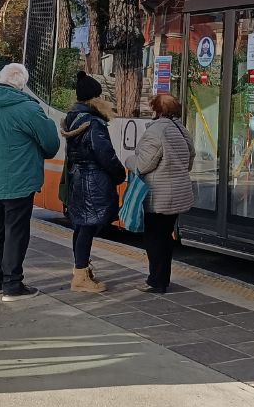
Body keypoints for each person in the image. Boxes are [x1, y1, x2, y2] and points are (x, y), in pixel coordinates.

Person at [0, 63, 60, 300]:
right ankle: (12, 285)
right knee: (16, 231)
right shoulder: (26, 108)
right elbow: (51, 143)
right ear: (22, 83)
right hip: (20, 180)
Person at [61, 72, 125, 293]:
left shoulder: (72, 118)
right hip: (93, 182)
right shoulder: (94, 123)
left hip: (78, 179)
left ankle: (81, 270)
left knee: (81, 227)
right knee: (88, 227)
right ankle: (80, 277)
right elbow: (105, 154)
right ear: (95, 98)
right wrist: (119, 174)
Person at [129, 93, 196, 293]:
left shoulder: (156, 131)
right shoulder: (181, 130)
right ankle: (162, 279)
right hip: (178, 194)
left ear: (157, 110)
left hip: (159, 195)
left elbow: (143, 164)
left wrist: (128, 161)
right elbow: (189, 159)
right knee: (165, 237)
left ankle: (156, 281)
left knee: (154, 238)